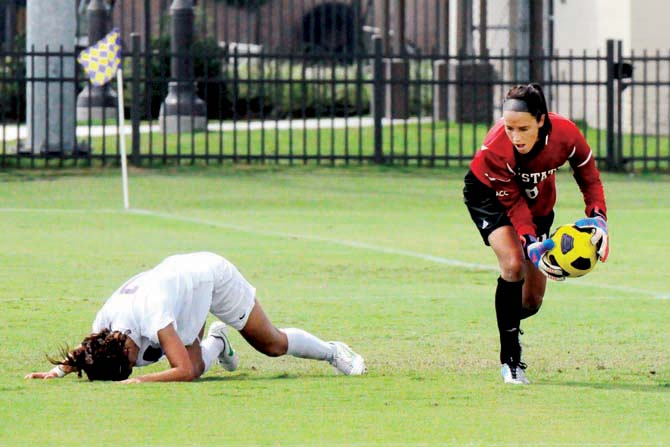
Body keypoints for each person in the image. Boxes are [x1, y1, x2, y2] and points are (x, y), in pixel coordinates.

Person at [25, 251, 366, 383]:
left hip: (210, 277)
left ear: (125, 349)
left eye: (128, 365)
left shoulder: (153, 316)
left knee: (272, 345)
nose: (134, 365)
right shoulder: (105, 325)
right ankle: (217, 341)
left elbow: (182, 371)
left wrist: (137, 382)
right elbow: (89, 350)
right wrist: (57, 371)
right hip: (180, 291)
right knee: (200, 368)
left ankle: (333, 351)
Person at [462, 83, 609, 385]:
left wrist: (599, 219)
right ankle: (511, 361)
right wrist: (530, 243)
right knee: (514, 264)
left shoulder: (567, 135)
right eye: (509, 127)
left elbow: (589, 178)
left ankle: (506, 318)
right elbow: (513, 204)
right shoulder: (496, 149)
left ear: (542, 120)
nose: (515, 137)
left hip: (538, 201)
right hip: (488, 195)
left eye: (523, 128)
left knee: (531, 301)